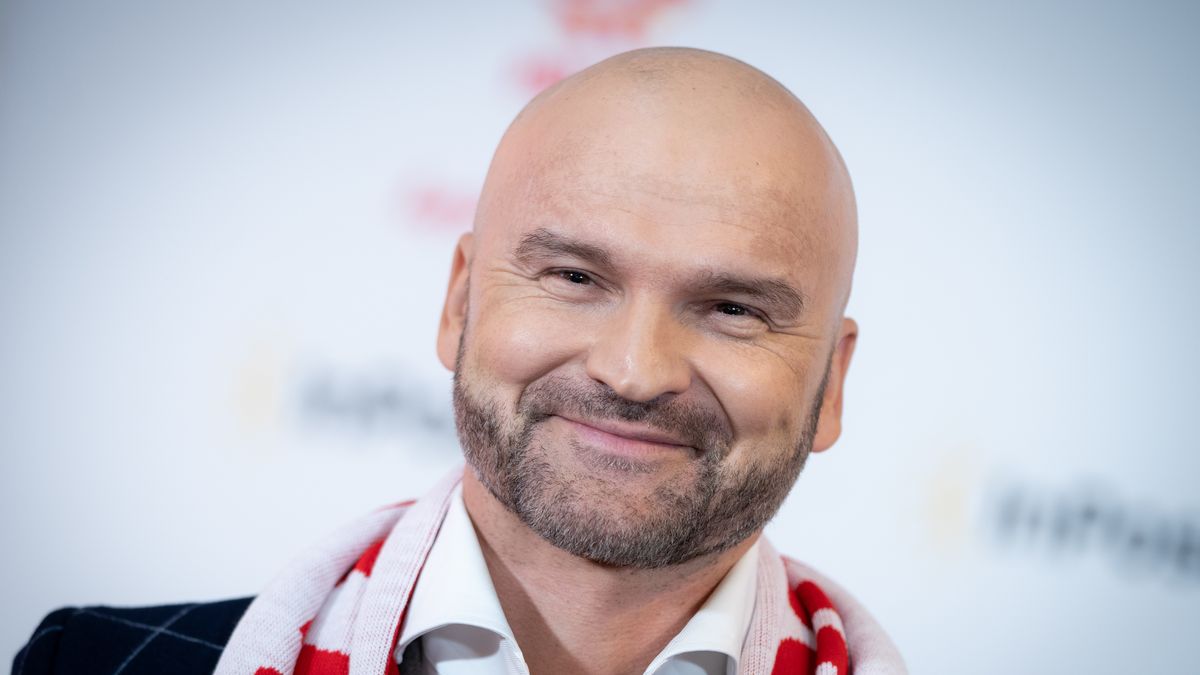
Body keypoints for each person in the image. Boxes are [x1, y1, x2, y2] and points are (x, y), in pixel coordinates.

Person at [13, 47, 906, 675]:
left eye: (733, 310)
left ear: (833, 381)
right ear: (458, 302)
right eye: (574, 275)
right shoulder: (96, 664)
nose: (634, 371)